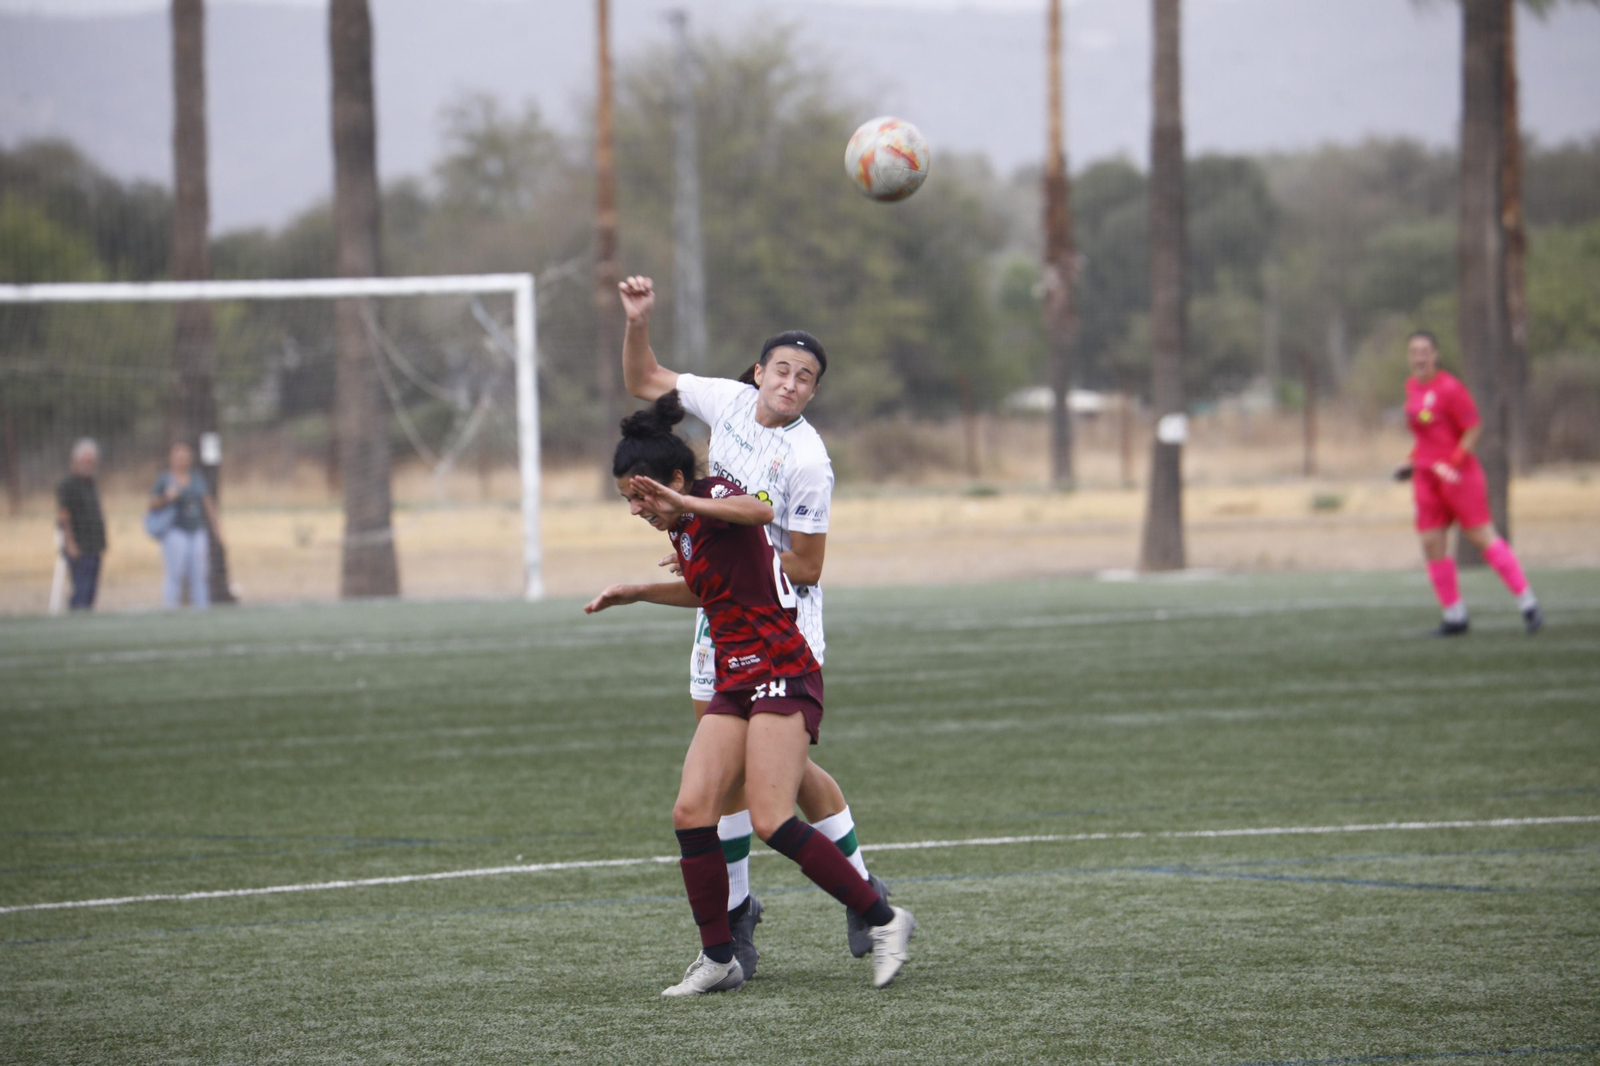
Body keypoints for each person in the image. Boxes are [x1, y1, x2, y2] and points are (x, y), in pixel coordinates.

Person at [584, 394, 915, 995]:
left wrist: (684, 503)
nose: (636, 509)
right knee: (691, 812)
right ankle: (719, 958)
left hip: (782, 667)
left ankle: (885, 919)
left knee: (770, 819)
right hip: (735, 674)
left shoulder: (710, 499)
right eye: (627, 500)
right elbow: (709, 594)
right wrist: (636, 591)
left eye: (641, 496)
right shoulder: (682, 525)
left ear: (677, 480)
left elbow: (761, 512)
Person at [617, 274, 888, 979]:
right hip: (721, 615)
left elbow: (806, 565)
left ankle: (862, 896)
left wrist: (717, 546)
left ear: (812, 392)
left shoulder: (807, 462)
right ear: (758, 372)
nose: (791, 384)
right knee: (727, 770)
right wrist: (639, 319)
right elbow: (644, 377)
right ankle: (736, 913)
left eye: (807, 378)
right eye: (783, 370)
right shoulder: (727, 401)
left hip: (781, 620)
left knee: (779, 777)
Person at [1394, 330, 1542, 636]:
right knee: (1430, 542)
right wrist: (1411, 461)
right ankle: (1455, 616)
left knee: (1481, 537)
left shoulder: (1450, 388)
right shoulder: (1411, 387)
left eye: (1424, 351)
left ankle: (1528, 604)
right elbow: (1424, 435)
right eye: (1413, 352)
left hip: (1458, 476)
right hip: (1426, 477)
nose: (1419, 357)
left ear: (1435, 355)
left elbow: (1473, 428)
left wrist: (1453, 463)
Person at [149, 441, 224, 609]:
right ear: (172, 459)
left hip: (196, 530)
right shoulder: (165, 479)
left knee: (199, 573)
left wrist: (216, 528)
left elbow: (207, 502)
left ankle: (201, 608)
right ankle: (171, 608)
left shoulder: (196, 478)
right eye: (179, 457)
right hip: (175, 531)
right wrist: (166, 497)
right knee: (175, 573)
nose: (182, 461)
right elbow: (151, 503)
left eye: (185, 457)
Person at [56, 438, 108, 611]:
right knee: (81, 589)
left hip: (94, 544)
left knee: (91, 591)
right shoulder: (67, 484)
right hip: (79, 544)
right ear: (76, 460)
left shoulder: (90, 483)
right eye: (86, 460)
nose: (89, 464)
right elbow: (64, 515)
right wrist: (69, 542)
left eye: (92, 461)